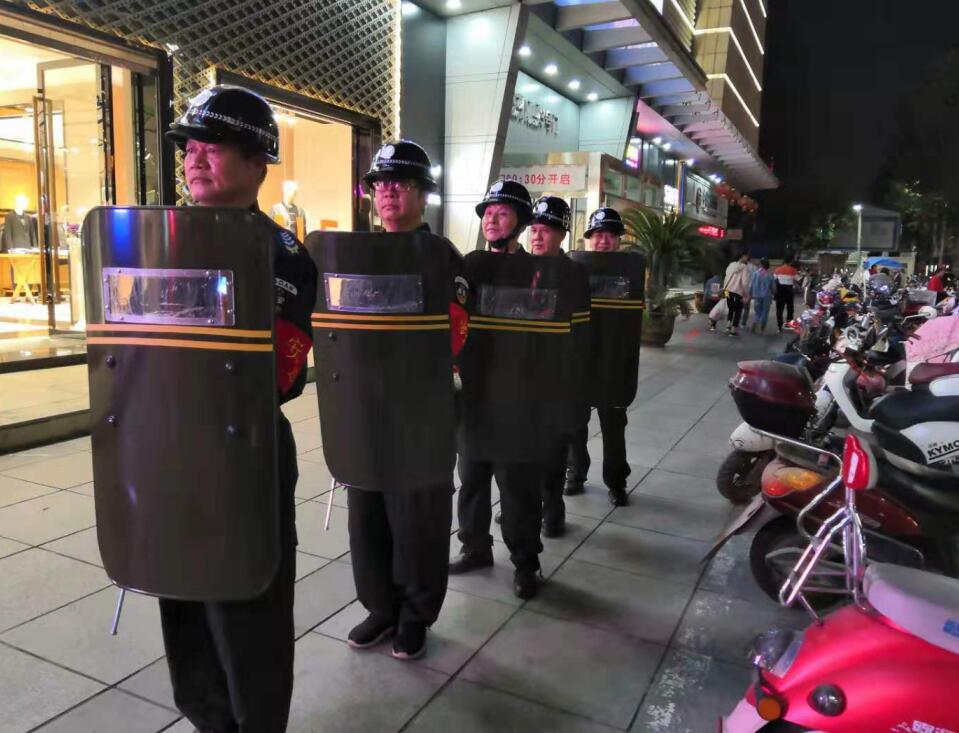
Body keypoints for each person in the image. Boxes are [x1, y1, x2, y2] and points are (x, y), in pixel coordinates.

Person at [161, 85, 318, 732]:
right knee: (183, 594)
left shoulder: (285, 256)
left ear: (258, 163)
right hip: (167, 445)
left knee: (249, 608)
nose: (194, 159)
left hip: (244, 450)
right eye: (188, 148)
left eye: (213, 146)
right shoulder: (157, 241)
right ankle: (206, 716)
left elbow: (277, 377)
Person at [344, 140, 465, 660]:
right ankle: (380, 607)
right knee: (367, 514)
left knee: (417, 519)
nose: (389, 193)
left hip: (419, 412)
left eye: (401, 184)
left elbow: (456, 333)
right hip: (365, 409)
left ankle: (416, 614)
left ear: (422, 195)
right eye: (381, 185)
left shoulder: (441, 257)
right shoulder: (356, 255)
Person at [448, 179, 543, 599]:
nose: (492, 219)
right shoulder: (467, 266)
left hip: (517, 398)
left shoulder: (537, 273)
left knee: (516, 486)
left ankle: (526, 561)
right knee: (471, 477)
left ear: (520, 222)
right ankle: (474, 547)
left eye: (502, 213)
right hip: (473, 392)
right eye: (488, 212)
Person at [564, 206, 633, 507]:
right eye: (598, 235)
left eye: (610, 235)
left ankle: (616, 481)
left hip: (612, 361)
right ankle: (575, 472)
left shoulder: (629, 270)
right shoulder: (573, 268)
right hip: (579, 359)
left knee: (614, 426)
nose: (603, 240)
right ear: (589, 238)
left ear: (618, 240)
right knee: (574, 423)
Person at [527, 196, 588, 535]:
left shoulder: (574, 274)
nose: (537, 236)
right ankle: (521, 507)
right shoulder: (519, 268)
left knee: (552, 452)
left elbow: (579, 333)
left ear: (562, 234)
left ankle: (552, 513)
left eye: (546, 231)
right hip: (522, 376)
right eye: (534, 230)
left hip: (557, 378)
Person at [710, 252, 750, 336]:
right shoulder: (744, 268)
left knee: (731, 308)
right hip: (737, 292)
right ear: (742, 256)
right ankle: (733, 331)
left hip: (727, 290)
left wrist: (725, 289)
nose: (747, 258)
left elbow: (726, 277)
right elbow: (745, 283)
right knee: (738, 310)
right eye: (746, 256)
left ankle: (728, 326)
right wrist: (746, 293)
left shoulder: (731, 265)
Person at [749, 258, 775, 333]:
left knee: (757, 312)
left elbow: (751, 285)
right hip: (767, 296)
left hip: (757, 296)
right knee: (764, 312)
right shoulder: (769, 275)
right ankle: (761, 329)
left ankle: (754, 324)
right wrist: (773, 293)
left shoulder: (755, 274)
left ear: (761, 265)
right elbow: (773, 287)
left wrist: (750, 294)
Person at [773, 259, 798, 333]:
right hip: (789, 291)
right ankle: (789, 325)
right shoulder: (793, 270)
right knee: (790, 309)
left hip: (780, 291)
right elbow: (797, 280)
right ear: (790, 262)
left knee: (779, 310)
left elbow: (774, 280)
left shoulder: (777, 269)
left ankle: (779, 327)